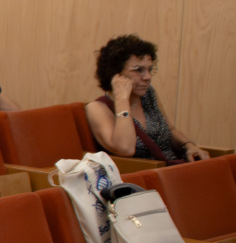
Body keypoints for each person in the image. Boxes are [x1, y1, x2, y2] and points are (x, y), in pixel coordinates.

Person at [87, 34, 210, 164]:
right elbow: (125, 149)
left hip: (173, 168)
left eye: (149, 69)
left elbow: (170, 130)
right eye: (138, 70)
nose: (148, 77)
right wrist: (122, 100)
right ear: (115, 74)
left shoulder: (148, 94)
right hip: (144, 174)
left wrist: (189, 146)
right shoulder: (97, 108)